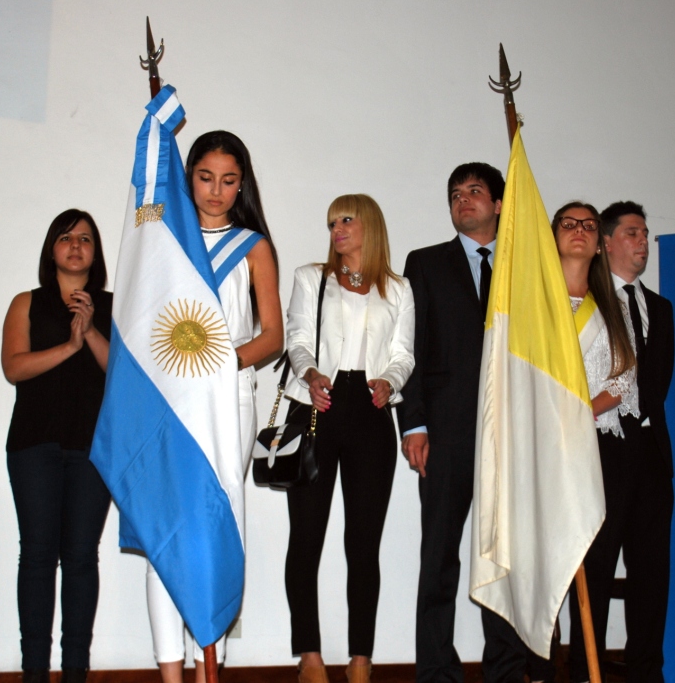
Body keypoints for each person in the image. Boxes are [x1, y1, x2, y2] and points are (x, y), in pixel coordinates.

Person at [143, 130, 283, 683]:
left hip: (229, 398)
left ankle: (211, 669)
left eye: (228, 181)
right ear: (189, 178)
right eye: (205, 177)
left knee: (218, 528)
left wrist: (220, 364)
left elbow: (272, 336)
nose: (216, 191)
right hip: (170, 400)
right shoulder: (163, 238)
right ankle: (170, 672)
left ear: (241, 185)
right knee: (165, 529)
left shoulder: (252, 246)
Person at [283, 194, 415, 683]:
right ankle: (310, 657)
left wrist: (390, 382)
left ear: (370, 226)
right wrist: (311, 373)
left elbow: (404, 353)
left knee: (364, 545)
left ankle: (361, 659)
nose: (336, 229)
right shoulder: (310, 278)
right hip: (317, 407)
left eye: (346, 220)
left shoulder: (398, 289)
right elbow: (297, 338)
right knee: (306, 539)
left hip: (371, 412)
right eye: (331, 222)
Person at [398, 162, 514, 683]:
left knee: (504, 561)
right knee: (439, 557)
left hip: (509, 435)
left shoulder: (523, 265)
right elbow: (409, 348)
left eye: (474, 191)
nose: (462, 200)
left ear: (499, 204)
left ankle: (506, 669)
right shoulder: (425, 263)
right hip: (444, 434)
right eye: (454, 194)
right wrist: (413, 424)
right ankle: (436, 671)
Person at [1, 208, 113, 683]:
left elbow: (125, 375)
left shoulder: (114, 306)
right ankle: (34, 672)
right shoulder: (26, 303)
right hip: (34, 444)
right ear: (52, 249)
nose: (75, 246)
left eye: (85, 238)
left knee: (82, 557)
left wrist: (89, 330)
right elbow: (14, 368)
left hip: (93, 447)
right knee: (38, 555)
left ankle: (74, 672)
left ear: (96, 252)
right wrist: (68, 346)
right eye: (66, 238)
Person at [571, 200, 674, 683]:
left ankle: (646, 671)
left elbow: (657, 385)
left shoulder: (662, 309)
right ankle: (582, 669)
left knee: (651, 572)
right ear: (606, 242)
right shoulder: (585, 303)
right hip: (601, 447)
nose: (642, 242)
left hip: (651, 452)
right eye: (632, 233)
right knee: (595, 565)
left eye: (646, 234)